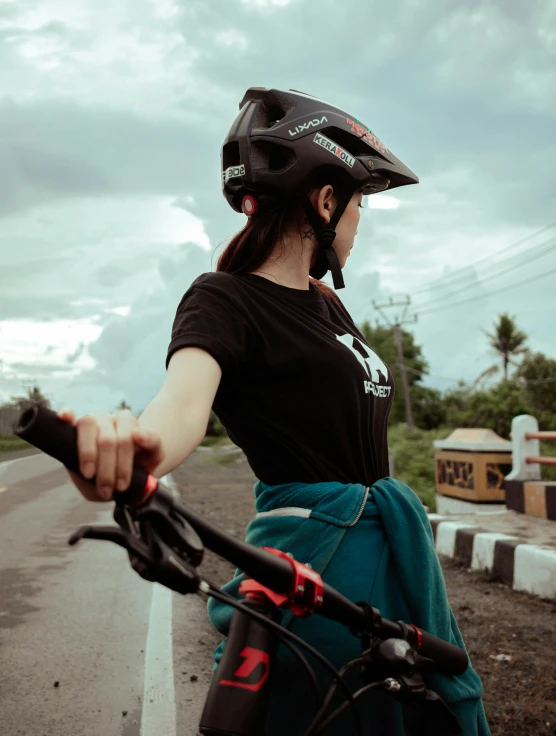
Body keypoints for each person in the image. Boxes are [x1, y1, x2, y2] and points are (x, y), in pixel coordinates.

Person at [60, 88, 490, 735]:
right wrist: (132, 447)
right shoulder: (223, 299)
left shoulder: (329, 307)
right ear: (325, 200)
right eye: (359, 205)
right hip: (312, 582)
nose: (358, 222)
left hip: (389, 566)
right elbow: (180, 405)